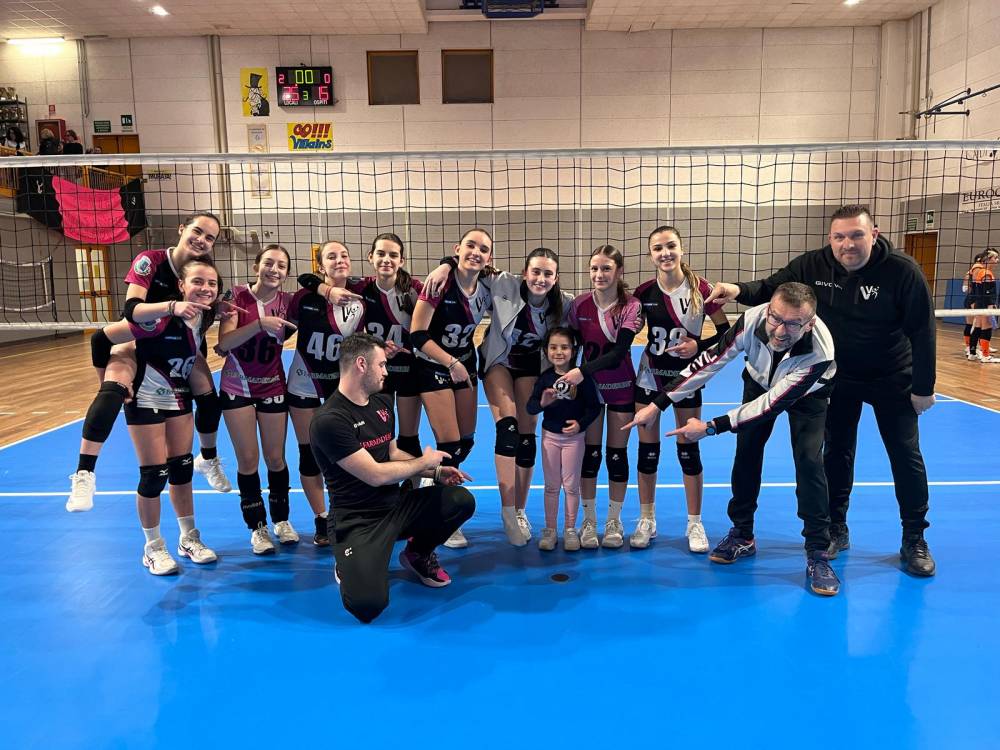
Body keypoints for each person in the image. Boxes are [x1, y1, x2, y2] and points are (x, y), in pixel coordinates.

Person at [706, 204, 937, 576]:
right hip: (836, 376)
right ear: (830, 238)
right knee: (837, 452)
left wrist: (923, 387)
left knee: (904, 454)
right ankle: (836, 526)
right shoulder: (813, 265)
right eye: (839, 237)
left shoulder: (902, 271)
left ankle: (914, 538)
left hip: (892, 376)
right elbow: (770, 288)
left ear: (874, 234)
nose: (848, 244)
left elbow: (923, 331)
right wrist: (736, 290)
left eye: (856, 235)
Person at [628, 282, 840, 595]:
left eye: (793, 324)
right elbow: (709, 361)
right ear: (768, 310)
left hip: (808, 395)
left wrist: (711, 426)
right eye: (775, 318)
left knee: (809, 461)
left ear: (809, 324)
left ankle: (818, 552)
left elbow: (769, 406)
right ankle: (742, 534)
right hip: (758, 379)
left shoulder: (819, 352)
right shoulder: (752, 320)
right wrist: (659, 403)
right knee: (746, 454)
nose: (780, 330)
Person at [67, 211, 233, 513]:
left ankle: (208, 459)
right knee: (112, 393)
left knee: (210, 400)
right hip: (139, 335)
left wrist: (217, 306)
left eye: (210, 237)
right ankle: (84, 473)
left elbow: (203, 306)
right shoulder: (151, 261)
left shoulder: (203, 270)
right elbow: (131, 309)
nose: (202, 240)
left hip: (178, 345)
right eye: (197, 231)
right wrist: (171, 307)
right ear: (181, 229)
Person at [310, 332, 475, 624]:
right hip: (356, 519)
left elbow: (392, 452)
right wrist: (424, 461)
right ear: (361, 364)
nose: (386, 372)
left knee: (460, 501)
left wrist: (435, 472)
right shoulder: (330, 420)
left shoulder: (382, 401)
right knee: (367, 606)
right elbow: (375, 474)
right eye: (382, 365)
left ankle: (417, 553)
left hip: (395, 507)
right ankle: (348, 561)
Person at [423, 247, 574, 546]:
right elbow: (470, 264)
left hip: (531, 368)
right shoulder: (504, 282)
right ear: (525, 272)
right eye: (535, 271)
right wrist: (445, 265)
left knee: (527, 439)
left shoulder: (564, 304)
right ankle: (506, 512)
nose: (541, 279)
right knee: (508, 429)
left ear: (556, 278)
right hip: (499, 363)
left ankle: (519, 510)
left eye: (548, 274)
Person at [118, 258, 223, 575]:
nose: (205, 288)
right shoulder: (159, 316)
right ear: (181, 285)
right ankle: (153, 547)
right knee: (154, 475)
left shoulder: (203, 317)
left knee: (182, 469)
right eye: (197, 281)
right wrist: (111, 384)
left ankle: (189, 538)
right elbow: (105, 338)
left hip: (179, 396)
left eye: (212, 283)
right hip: (146, 397)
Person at [631, 226, 731, 552]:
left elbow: (726, 332)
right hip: (650, 378)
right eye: (658, 248)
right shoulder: (644, 292)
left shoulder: (702, 290)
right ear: (650, 255)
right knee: (647, 452)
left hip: (687, 378)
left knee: (689, 449)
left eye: (670, 246)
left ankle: (694, 522)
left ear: (682, 249)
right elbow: (626, 328)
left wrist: (697, 345)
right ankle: (647, 519)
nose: (665, 253)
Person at [410, 228, 494, 549]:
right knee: (449, 442)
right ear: (457, 248)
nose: (476, 252)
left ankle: (432, 480)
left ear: (489, 257)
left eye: (483, 249)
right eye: (470, 245)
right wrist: (450, 362)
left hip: (464, 362)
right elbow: (418, 333)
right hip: (433, 364)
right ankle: (442, 516)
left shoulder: (487, 286)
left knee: (465, 441)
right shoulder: (439, 283)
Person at [557, 245, 643, 549]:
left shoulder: (631, 306)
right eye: (594, 268)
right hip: (589, 391)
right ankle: (589, 520)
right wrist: (563, 381)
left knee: (617, 455)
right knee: (590, 455)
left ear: (619, 271)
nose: (599, 274)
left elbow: (619, 352)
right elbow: (569, 347)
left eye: (606, 268)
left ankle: (614, 521)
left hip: (621, 386)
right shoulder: (579, 305)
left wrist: (581, 371)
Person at [217, 245, 299, 554]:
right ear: (256, 267)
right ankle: (257, 527)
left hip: (272, 386)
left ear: (286, 273)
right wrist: (260, 324)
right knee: (248, 459)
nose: (274, 269)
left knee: (276, 458)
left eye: (281, 265)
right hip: (236, 387)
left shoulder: (288, 303)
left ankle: (282, 520)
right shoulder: (236, 296)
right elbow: (224, 343)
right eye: (268, 263)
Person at [288, 241, 366, 546]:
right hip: (304, 382)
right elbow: (302, 282)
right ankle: (321, 517)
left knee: (346, 451)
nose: (340, 260)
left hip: (341, 386)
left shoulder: (361, 295)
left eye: (344, 255)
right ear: (321, 266)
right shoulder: (304, 297)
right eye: (331, 256)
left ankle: (346, 512)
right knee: (309, 453)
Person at [527, 328, 602, 552]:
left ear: (573, 350)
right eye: (553, 347)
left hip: (574, 440)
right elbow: (530, 407)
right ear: (546, 350)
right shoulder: (545, 378)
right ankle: (550, 530)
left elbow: (594, 407)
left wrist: (581, 425)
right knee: (551, 486)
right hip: (550, 438)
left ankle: (570, 529)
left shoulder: (581, 378)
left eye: (564, 347)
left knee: (571, 486)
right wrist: (543, 402)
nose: (558, 352)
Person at [963, 248, 999, 363]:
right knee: (986, 327)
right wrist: (990, 305)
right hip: (984, 304)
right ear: (988, 259)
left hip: (979, 303)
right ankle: (985, 356)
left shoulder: (982, 271)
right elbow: (986, 292)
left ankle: (972, 353)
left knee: (977, 327)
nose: (997, 260)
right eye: (995, 258)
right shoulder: (986, 273)